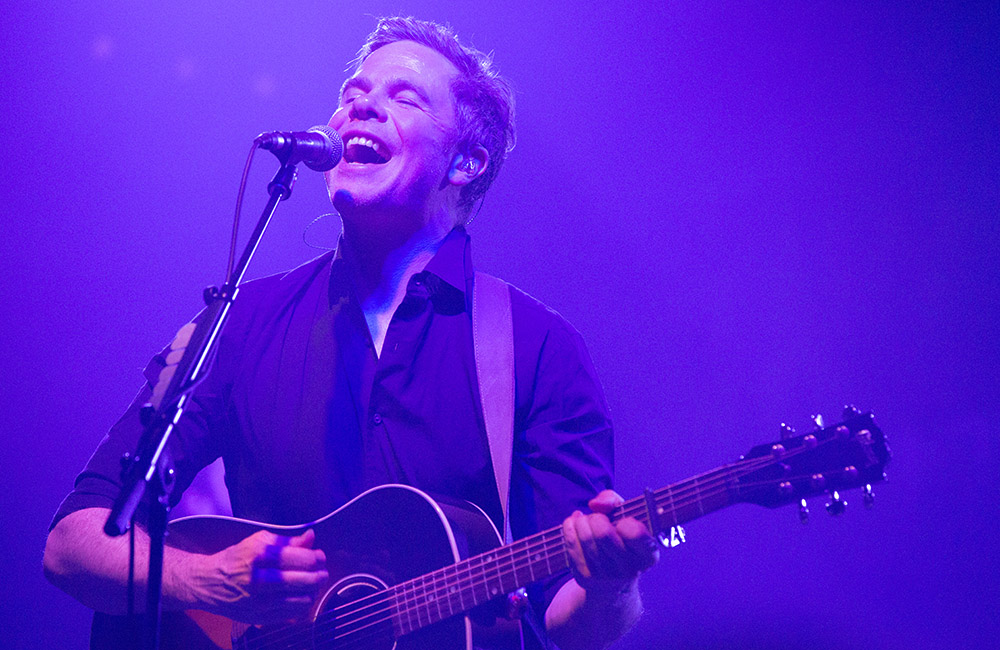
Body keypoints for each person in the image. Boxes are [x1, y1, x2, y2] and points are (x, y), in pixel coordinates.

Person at [43, 16, 659, 650]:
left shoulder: (536, 348)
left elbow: (572, 626)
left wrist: (612, 582)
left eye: (404, 96)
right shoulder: (240, 322)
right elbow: (73, 543)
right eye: (352, 93)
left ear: (467, 161)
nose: (360, 104)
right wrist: (207, 580)